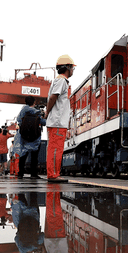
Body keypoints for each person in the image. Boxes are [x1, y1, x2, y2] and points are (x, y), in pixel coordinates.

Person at [45, 55, 75, 183]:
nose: (73, 70)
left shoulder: (60, 81)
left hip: (57, 122)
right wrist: (47, 112)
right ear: (67, 67)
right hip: (57, 122)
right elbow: (53, 97)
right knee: (56, 149)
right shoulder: (62, 81)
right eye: (72, 68)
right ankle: (53, 175)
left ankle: (54, 173)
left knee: (55, 149)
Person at [16, 96, 46, 179]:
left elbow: (19, 120)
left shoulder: (23, 111)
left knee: (22, 155)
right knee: (34, 156)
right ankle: (33, 174)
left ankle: (20, 173)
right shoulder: (37, 112)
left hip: (24, 136)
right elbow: (43, 122)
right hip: (35, 136)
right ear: (34, 102)